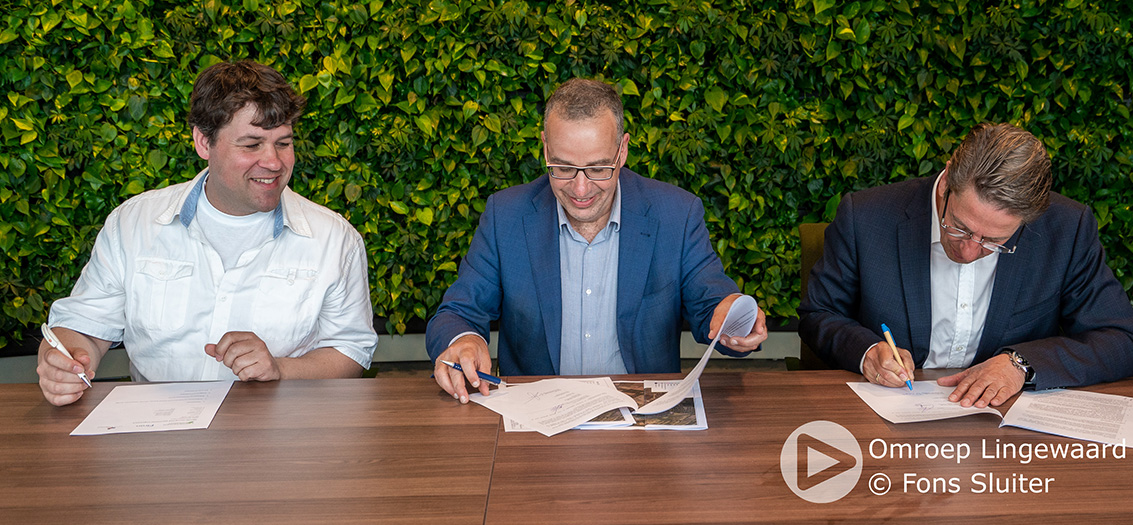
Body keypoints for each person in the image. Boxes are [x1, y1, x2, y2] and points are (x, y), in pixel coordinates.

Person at [37, 60, 378, 406]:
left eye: (283, 143)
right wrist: (65, 363)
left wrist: (280, 369)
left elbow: (350, 351)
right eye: (252, 144)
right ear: (203, 142)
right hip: (156, 429)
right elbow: (83, 327)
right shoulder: (133, 224)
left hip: (278, 431)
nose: (274, 162)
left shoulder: (335, 240)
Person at [427, 78, 768, 403]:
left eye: (598, 169)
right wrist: (464, 340)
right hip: (536, 419)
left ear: (623, 150)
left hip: (644, 419)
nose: (580, 189)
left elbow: (713, 304)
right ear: (545, 147)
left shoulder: (676, 215)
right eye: (563, 167)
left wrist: (736, 318)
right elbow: (457, 311)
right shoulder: (506, 216)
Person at [797, 122, 1133, 408]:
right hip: (885, 420)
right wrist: (867, 352)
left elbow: (1123, 341)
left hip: (1007, 426)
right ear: (948, 180)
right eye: (959, 227)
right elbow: (819, 314)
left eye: (994, 241)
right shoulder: (866, 217)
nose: (968, 251)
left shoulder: (1066, 228)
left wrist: (1020, 365)